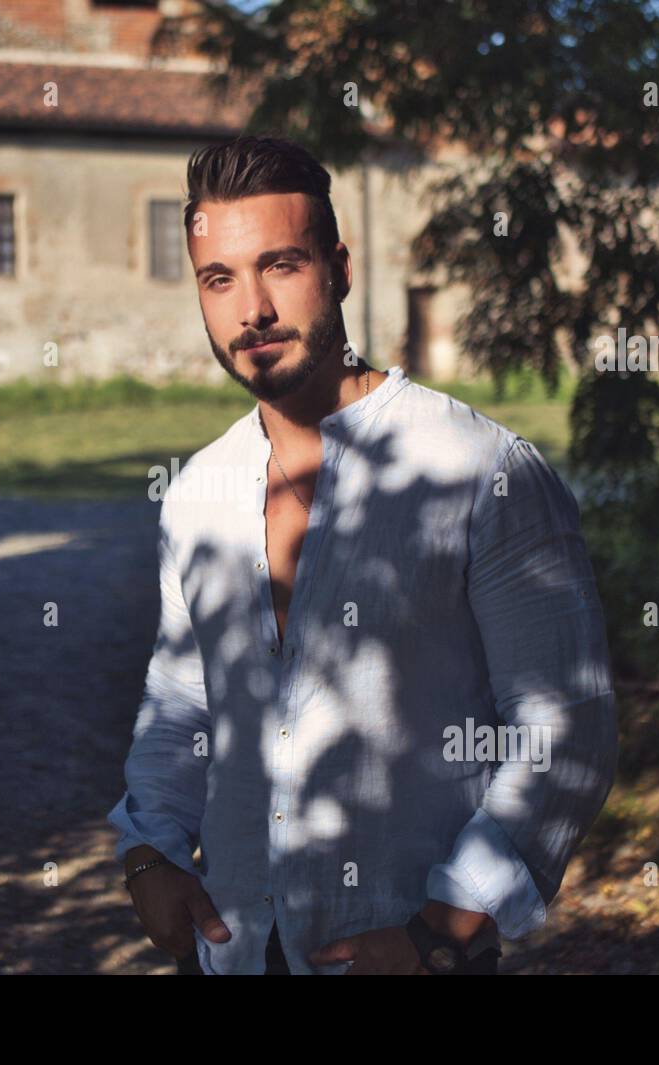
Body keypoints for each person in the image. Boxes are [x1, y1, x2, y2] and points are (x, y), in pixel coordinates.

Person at [109, 134, 618, 975]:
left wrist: (443, 930)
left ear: (339, 269)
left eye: (281, 265)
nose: (253, 311)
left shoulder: (480, 470)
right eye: (220, 278)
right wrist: (148, 856)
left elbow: (567, 727)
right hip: (231, 952)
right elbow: (179, 710)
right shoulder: (198, 492)